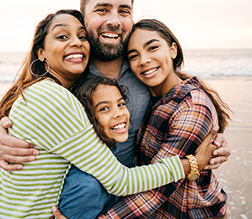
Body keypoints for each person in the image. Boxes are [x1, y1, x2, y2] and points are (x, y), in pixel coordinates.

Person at [0, 9, 211, 219]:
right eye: (62, 36)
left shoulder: (47, 89)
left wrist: (204, 114)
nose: (76, 42)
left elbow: (174, 92)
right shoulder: (55, 98)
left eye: (81, 36)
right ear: (41, 52)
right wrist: (192, 163)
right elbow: (121, 180)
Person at [97, 19, 231, 218]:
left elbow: (157, 188)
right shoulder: (147, 97)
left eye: (152, 48)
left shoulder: (193, 107)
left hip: (192, 213)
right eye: (134, 56)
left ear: (173, 50)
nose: (144, 60)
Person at [57, 75, 218, 219]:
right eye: (104, 108)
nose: (119, 113)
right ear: (85, 118)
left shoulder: (110, 159)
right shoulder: (87, 187)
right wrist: (194, 163)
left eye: (121, 104)